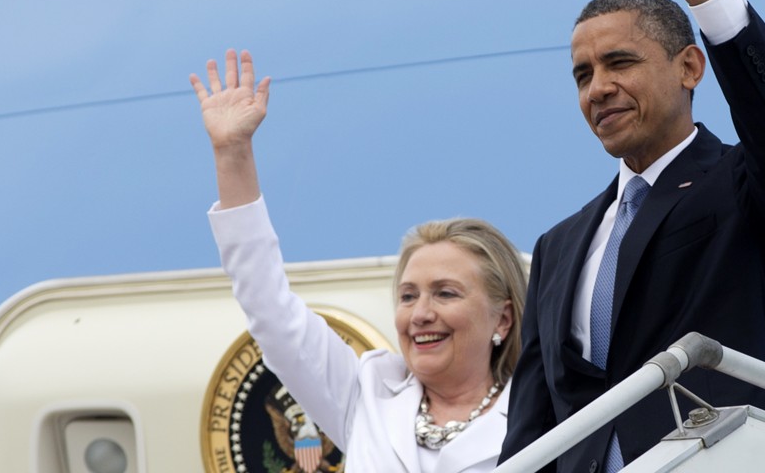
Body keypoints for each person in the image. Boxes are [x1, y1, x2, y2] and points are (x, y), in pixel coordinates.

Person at [499, 0, 765, 471]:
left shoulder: (743, 188)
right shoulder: (559, 246)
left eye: (620, 62)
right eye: (582, 74)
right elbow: (534, 429)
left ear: (689, 67)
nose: (597, 87)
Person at [190, 49, 528, 473]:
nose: (420, 314)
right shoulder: (366, 392)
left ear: (503, 319)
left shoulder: (540, 413)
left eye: (445, 293)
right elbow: (269, 309)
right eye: (408, 296)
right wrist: (232, 152)